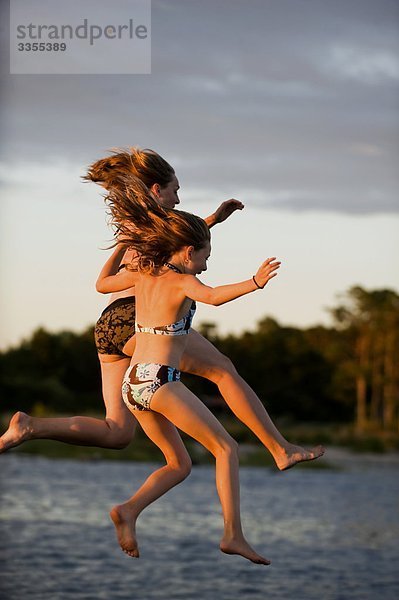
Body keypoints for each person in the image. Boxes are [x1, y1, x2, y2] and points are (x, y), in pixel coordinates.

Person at [0, 148, 323, 472]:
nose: (178, 199)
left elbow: (174, 242)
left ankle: (31, 427)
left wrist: (212, 220)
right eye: (175, 190)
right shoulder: (148, 219)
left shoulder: (138, 222)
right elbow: (183, 245)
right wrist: (244, 269)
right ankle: (279, 449)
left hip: (110, 326)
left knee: (118, 432)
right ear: (156, 190)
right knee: (222, 370)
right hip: (135, 317)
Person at [97, 175, 279, 563]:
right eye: (205, 255)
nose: (207, 263)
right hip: (160, 382)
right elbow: (213, 297)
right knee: (226, 448)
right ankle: (233, 535)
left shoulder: (143, 273)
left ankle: (128, 510)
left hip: (133, 385)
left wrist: (121, 247)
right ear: (187, 251)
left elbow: (101, 284)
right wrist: (254, 282)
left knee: (179, 464)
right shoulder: (183, 281)